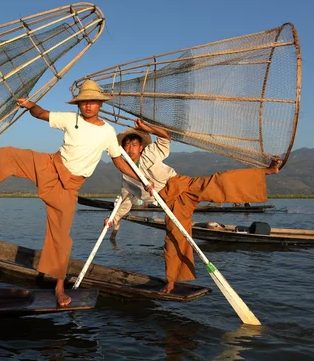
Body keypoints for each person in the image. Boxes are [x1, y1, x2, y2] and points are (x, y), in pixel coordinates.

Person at [0, 80, 148, 306]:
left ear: (99, 104)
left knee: (61, 237)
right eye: (84, 102)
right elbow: (42, 114)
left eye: (93, 102)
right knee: (8, 154)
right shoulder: (71, 118)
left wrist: (141, 178)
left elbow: (118, 161)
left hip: (70, 186)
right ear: (79, 104)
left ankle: (59, 288)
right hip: (50, 165)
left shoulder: (108, 132)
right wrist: (31, 105)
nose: (88, 106)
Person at [109, 119, 281, 293]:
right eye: (127, 145)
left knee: (220, 181)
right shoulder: (127, 178)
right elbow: (125, 202)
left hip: (183, 185)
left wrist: (147, 128)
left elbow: (165, 138)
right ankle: (172, 281)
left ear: (140, 147)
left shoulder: (150, 153)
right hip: (171, 203)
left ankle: (267, 171)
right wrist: (113, 218)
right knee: (174, 237)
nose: (130, 148)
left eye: (134, 144)